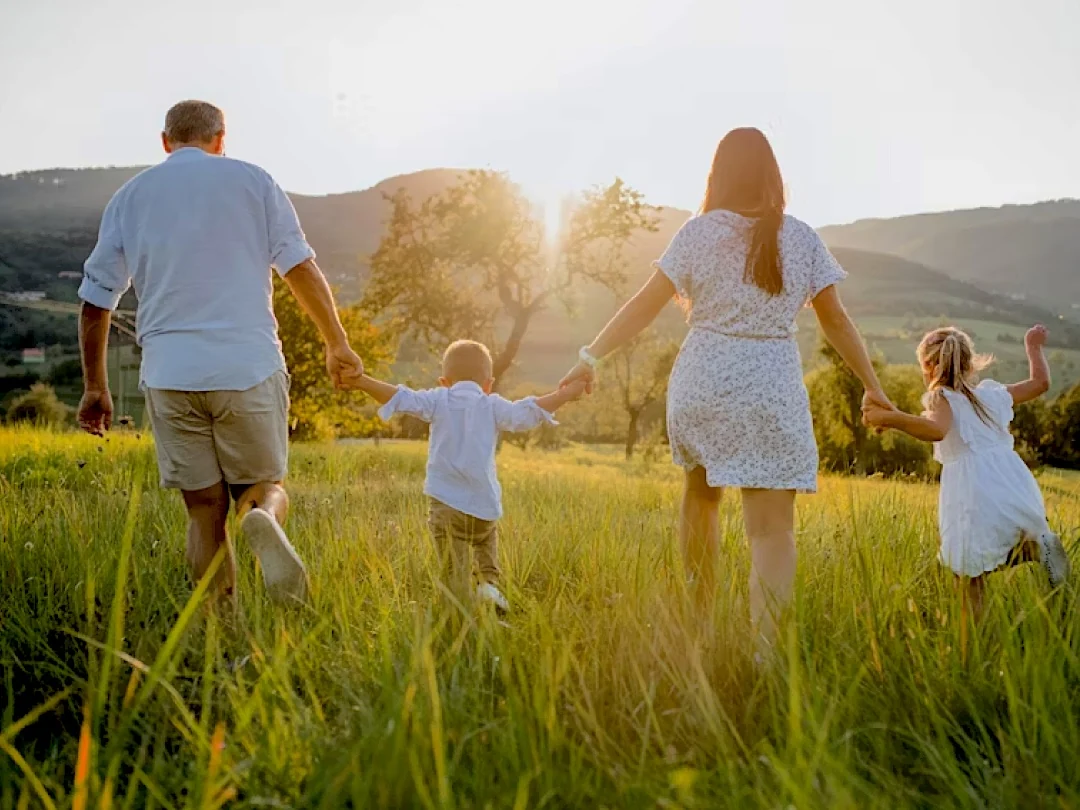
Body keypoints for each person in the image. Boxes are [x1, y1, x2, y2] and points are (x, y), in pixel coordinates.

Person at [559, 128, 890, 645]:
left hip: (702, 382)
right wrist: (873, 386)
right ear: (772, 174)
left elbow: (644, 303)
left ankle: (700, 623)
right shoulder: (801, 237)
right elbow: (837, 321)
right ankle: (766, 656)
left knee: (701, 497)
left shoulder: (696, 232)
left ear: (718, 175)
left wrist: (590, 355)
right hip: (769, 387)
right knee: (771, 530)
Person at [77, 100, 363, 605]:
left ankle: (221, 639)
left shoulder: (130, 197)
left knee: (203, 510)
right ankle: (261, 516)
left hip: (170, 374)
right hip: (247, 366)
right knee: (261, 485)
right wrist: (336, 342)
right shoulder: (253, 182)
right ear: (221, 138)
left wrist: (96, 388)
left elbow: (96, 303)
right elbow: (299, 268)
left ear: (165, 141)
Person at [349, 340, 587, 613]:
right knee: (486, 542)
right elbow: (526, 411)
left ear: (444, 381)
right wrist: (565, 395)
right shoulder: (492, 404)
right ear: (488, 383)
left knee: (453, 569)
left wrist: (362, 381)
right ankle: (488, 586)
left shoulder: (438, 399)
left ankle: (457, 612)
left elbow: (401, 397)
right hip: (484, 508)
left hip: (447, 505)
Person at [862, 325, 1068, 619]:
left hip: (973, 492)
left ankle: (972, 646)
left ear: (930, 367)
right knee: (1001, 547)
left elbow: (935, 429)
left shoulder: (941, 397)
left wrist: (891, 418)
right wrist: (1033, 346)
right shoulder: (992, 395)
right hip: (1012, 484)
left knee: (969, 572)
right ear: (970, 363)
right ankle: (1038, 549)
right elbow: (1040, 383)